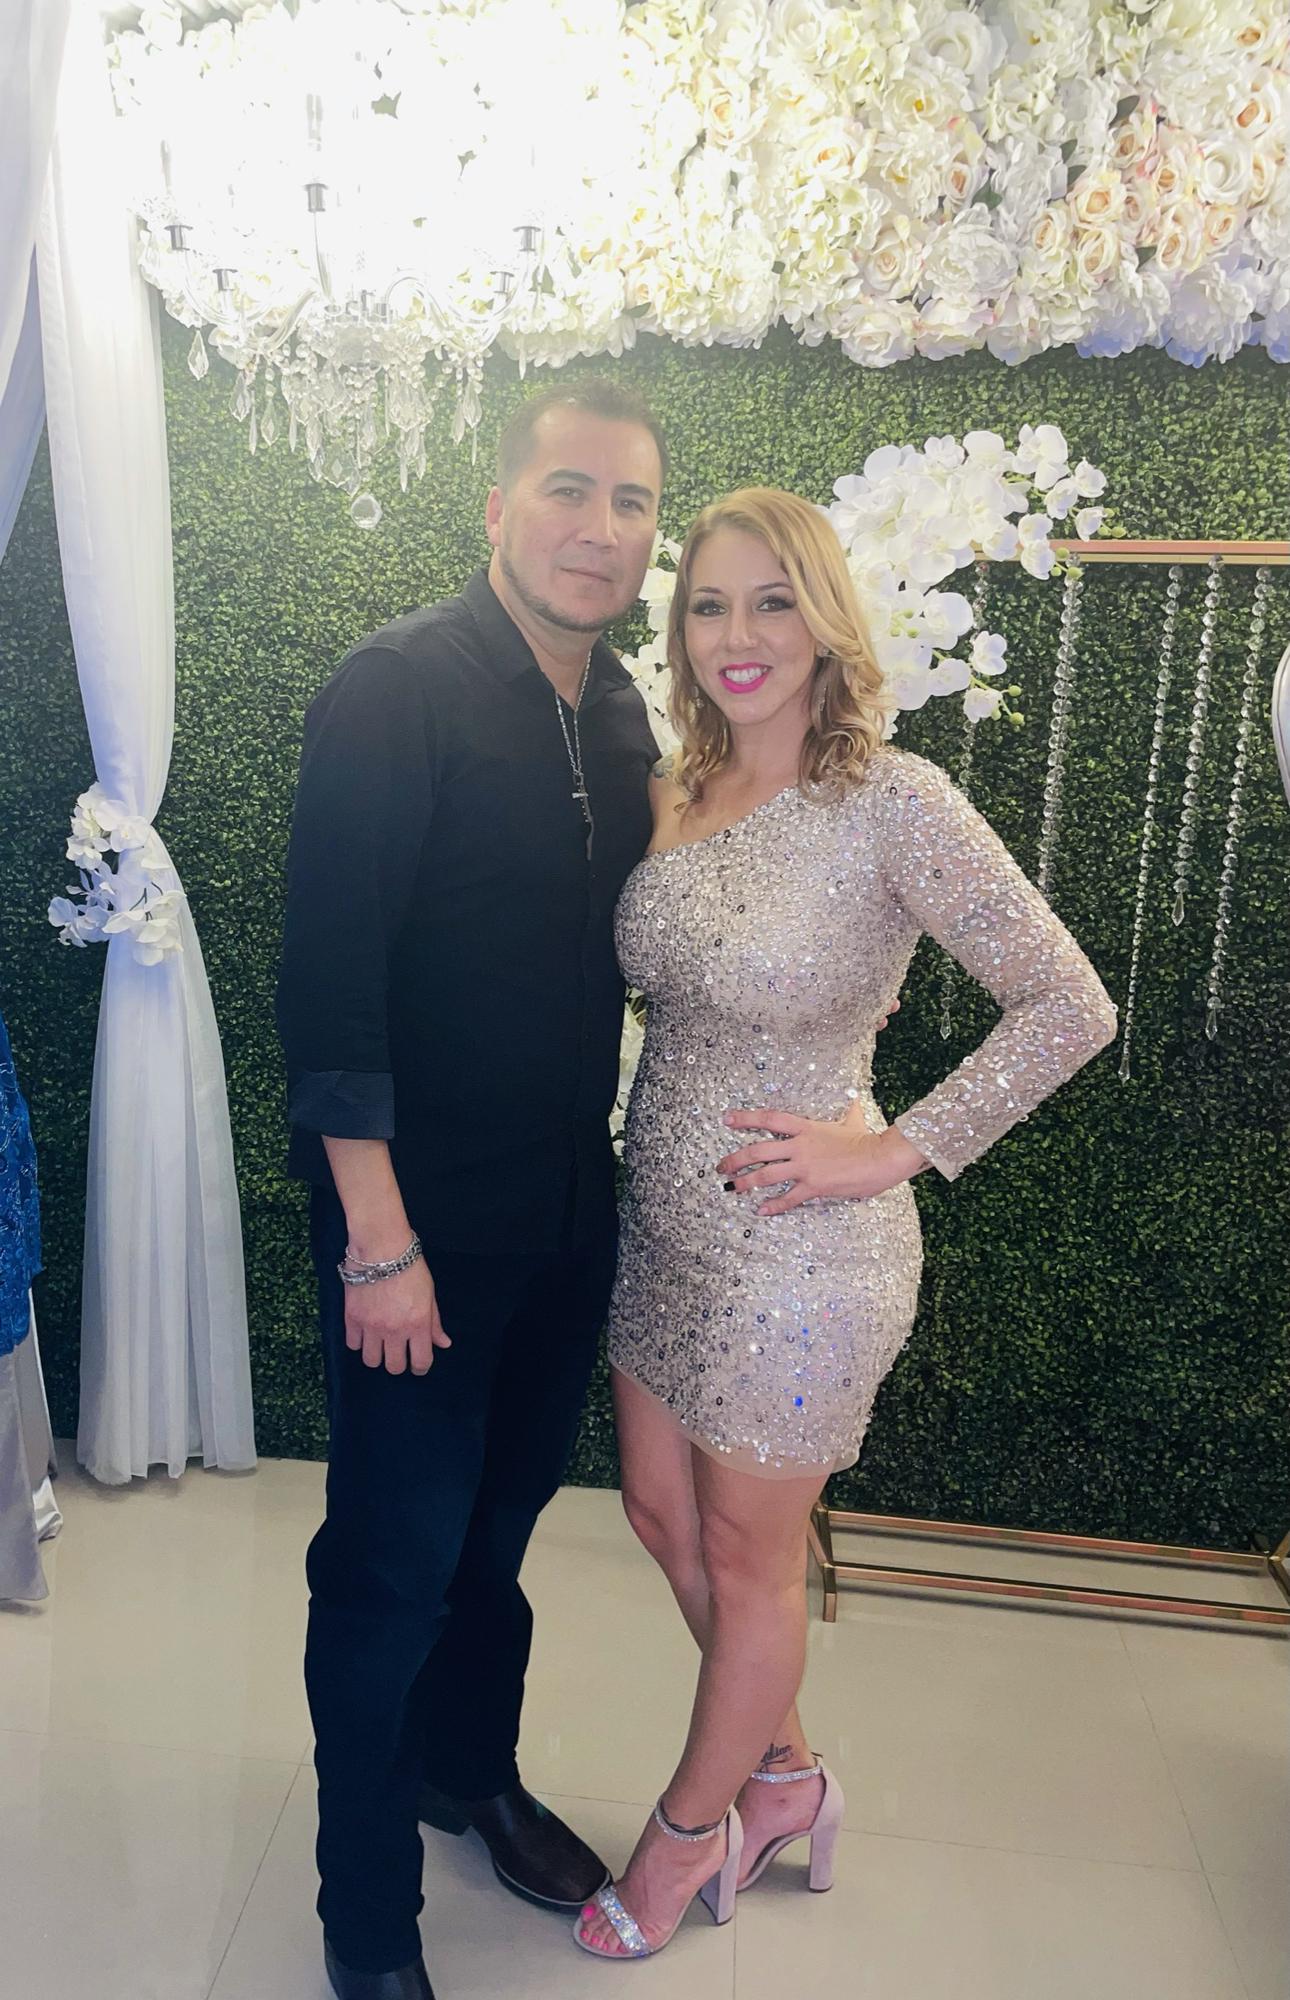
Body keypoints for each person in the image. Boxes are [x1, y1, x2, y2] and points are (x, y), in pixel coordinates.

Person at [574, 487, 1118, 1960]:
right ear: (679, 632)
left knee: (751, 1561)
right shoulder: (673, 790)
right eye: (708, 605)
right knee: (660, 1519)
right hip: (664, 1229)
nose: (737, 635)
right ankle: (788, 1780)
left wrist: (896, 1148)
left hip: (804, 1257)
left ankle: (687, 1837)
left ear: (824, 621)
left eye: (772, 601)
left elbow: (1066, 1004)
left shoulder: (891, 798)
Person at [275, 379, 669, 2000]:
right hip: (415, 1227)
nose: (599, 529)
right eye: (568, 490)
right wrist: (379, 1247)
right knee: (390, 1568)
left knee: (493, 1542)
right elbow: (328, 988)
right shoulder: (398, 687)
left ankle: (466, 1773)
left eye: (631, 502)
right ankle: (366, 1910)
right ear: (498, 508)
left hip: (567, 1211)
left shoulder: (622, 708)